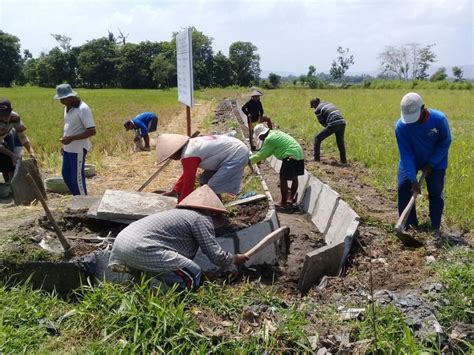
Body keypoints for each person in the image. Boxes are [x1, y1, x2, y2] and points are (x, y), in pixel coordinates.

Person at [108, 185, 249, 291]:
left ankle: (144, 303)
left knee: (144, 282)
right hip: (142, 247)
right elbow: (214, 254)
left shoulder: (179, 214)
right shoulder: (200, 218)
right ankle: (188, 307)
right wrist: (233, 259)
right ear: (209, 210)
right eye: (215, 214)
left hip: (122, 243)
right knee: (193, 273)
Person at [395, 92, 451, 235]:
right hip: (412, 160)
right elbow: (406, 154)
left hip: (436, 161)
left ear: (423, 108)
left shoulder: (439, 119)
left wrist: (432, 163)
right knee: (404, 188)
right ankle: (410, 227)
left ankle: (435, 228)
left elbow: (445, 141)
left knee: (435, 192)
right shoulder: (401, 126)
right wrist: (413, 180)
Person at [158, 133, 250, 202]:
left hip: (236, 154)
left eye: (171, 156)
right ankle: (215, 206)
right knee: (204, 180)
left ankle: (218, 212)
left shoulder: (189, 154)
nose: (172, 159)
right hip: (231, 151)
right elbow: (186, 175)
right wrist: (176, 190)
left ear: (175, 151)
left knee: (212, 187)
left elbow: (189, 183)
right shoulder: (190, 145)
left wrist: (181, 204)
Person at [54, 84, 96, 195]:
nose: (61, 101)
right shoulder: (67, 108)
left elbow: (92, 131)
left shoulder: (83, 109)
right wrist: (65, 145)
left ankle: (83, 202)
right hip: (68, 148)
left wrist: (71, 139)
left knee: (76, 177)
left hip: (78, 149)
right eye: (60, 99)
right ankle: (76, 197)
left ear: (71, 97)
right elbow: (68, 128)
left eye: (63, 99)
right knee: (66, 174)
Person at [250, 124, 305, 207]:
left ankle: (283, 203)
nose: (260, 139)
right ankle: (291, 199)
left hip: (289, 155)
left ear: (262, 134)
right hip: (299, 153)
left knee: (283, 179)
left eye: (259, 137)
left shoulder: (269, 139)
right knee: (294, 177)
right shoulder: (276, 133)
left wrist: (248, 161)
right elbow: (268, 152)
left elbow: (262, 154)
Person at [0, 98, 35, 182]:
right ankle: (6, 185)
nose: (5, 118)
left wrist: (31, 151)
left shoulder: (15, 117)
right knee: (6, 158)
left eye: (6, 115)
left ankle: (12, 185)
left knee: (14, 163)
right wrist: (11, 155)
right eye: (1, 115)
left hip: (9, 135)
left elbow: (22, 136)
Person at [310, 97, 347, 164]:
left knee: (317, 138)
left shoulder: (317, 110)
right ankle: (343, 161)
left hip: (333, 123)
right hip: (342, 122)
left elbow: (323, 123)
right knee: (340, 141)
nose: (314, 108)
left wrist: (329, 128)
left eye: (313, 106)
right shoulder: (327, 103)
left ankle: (316, 159)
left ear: (314, 104)